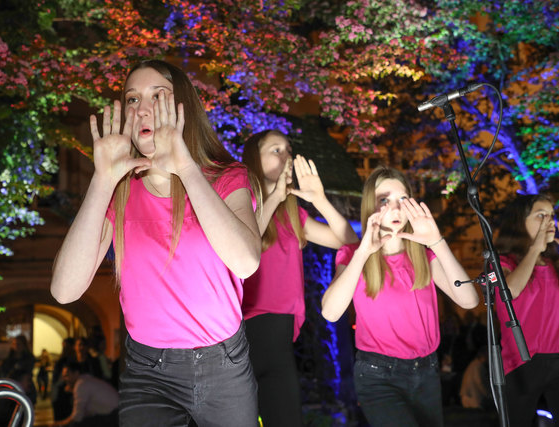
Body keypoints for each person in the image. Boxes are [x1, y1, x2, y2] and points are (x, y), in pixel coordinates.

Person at [50, 59, 261, 427]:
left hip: (222, 366)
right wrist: (101, 181)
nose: (141, 108)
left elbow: (245, 262)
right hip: (148, 372)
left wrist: (185, 167)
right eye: (131, 99)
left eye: (156, 95)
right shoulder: (118, 191)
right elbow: (64, 291)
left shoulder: (226, 178)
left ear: (183, 108)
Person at [320, 166, 479, 427]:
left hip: (427, 373)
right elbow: (330, 312)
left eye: (402, 199)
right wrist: (363, 252)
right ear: (371, 205)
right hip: (378, 376)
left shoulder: (424, 256)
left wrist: (437, 240)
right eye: (384, 200)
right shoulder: (352, 254)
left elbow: (469, 300)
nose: (395, 208)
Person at [240, 130, 358, 426]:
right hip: (244, 328)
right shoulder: (239, 205)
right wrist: (274, 198)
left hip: (282, 330)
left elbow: (347, 239)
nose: (286, 156)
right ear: (254, 158)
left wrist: (319, 199)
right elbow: (244, 241)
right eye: (275, 149)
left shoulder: (293, 215)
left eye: (288, 150)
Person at [493, 194, 559, 427]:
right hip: (520, 360)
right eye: (541, 216)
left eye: (551, 216)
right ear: (520, 222)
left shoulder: (555, 262)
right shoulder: (501, 262)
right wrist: (534, 250)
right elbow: (510, 291)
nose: (549, 222)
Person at [49, 361, 119, 427]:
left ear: (76, 373)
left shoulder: (81, 385)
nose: (64, 379)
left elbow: (77, 416)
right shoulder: (85, 380)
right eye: (63, 376)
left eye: (67, 375)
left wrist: (59, 424)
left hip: (112, 416)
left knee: (77, 424)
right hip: (115, 413)